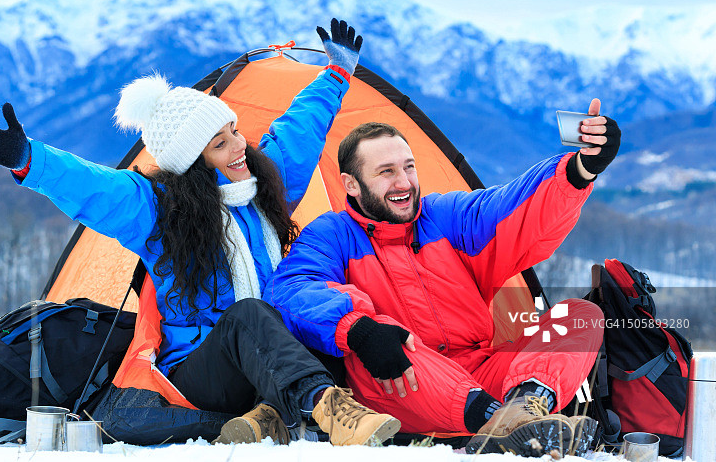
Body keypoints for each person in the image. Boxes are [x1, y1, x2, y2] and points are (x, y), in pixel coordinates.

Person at [0, 19, 402, 447]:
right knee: (248, 315)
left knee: (327, 322)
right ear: (192, 161)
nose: (239, 147)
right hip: (203, 372)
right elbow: (95, 189)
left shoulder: (262, 186)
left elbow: (300, 130)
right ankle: (331, 409)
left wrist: (337, 74)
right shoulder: (159, 211)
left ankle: (269, 416)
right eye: (220, 143)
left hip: (270, 357)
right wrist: (29, 159)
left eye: (234, 131)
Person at [265, 100, 621, 457]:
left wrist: (579, 170)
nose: (404, 182)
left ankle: (523, 411)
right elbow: (292, 288)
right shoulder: (332, 234)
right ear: (351, 184)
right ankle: (502, 424)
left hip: (481, 372)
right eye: (386, 172)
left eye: (409, 167)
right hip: (404, 383)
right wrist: (357, 328)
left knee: (581, 315)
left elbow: (510, 208)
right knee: (389, 336)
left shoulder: (443, 217)